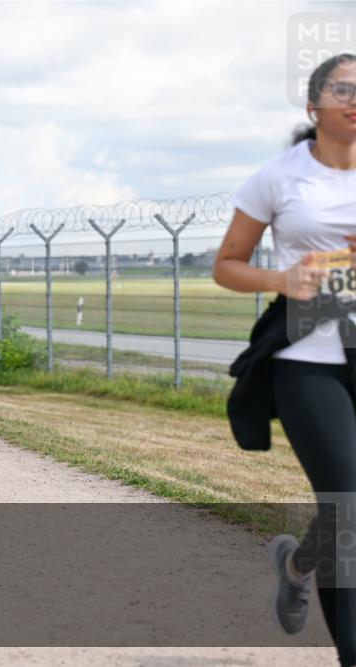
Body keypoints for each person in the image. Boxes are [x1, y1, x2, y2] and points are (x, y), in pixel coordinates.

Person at [213, 53, 356, 667]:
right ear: (313, 106)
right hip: (310, 355)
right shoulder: (278, 177)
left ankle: (297, 564)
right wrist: (283, 277)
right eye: (342, 89)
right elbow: (227, 265)